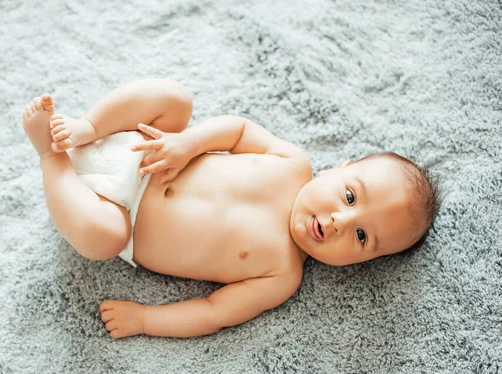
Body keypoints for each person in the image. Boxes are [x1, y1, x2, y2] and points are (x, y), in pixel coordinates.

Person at [22, 78, 440, 339]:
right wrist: (187, 143)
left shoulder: (282, 275)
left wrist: (146, 320)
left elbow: (213, 312)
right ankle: (88, 127)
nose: (338, 221)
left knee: (101, 239)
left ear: (360, 264)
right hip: (148, 146)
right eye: (350, 197)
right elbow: (239, 130)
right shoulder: (293, 163)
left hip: (117, 213)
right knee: (176, 99)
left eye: (362, 237)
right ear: (341, 167)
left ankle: (51, 159)